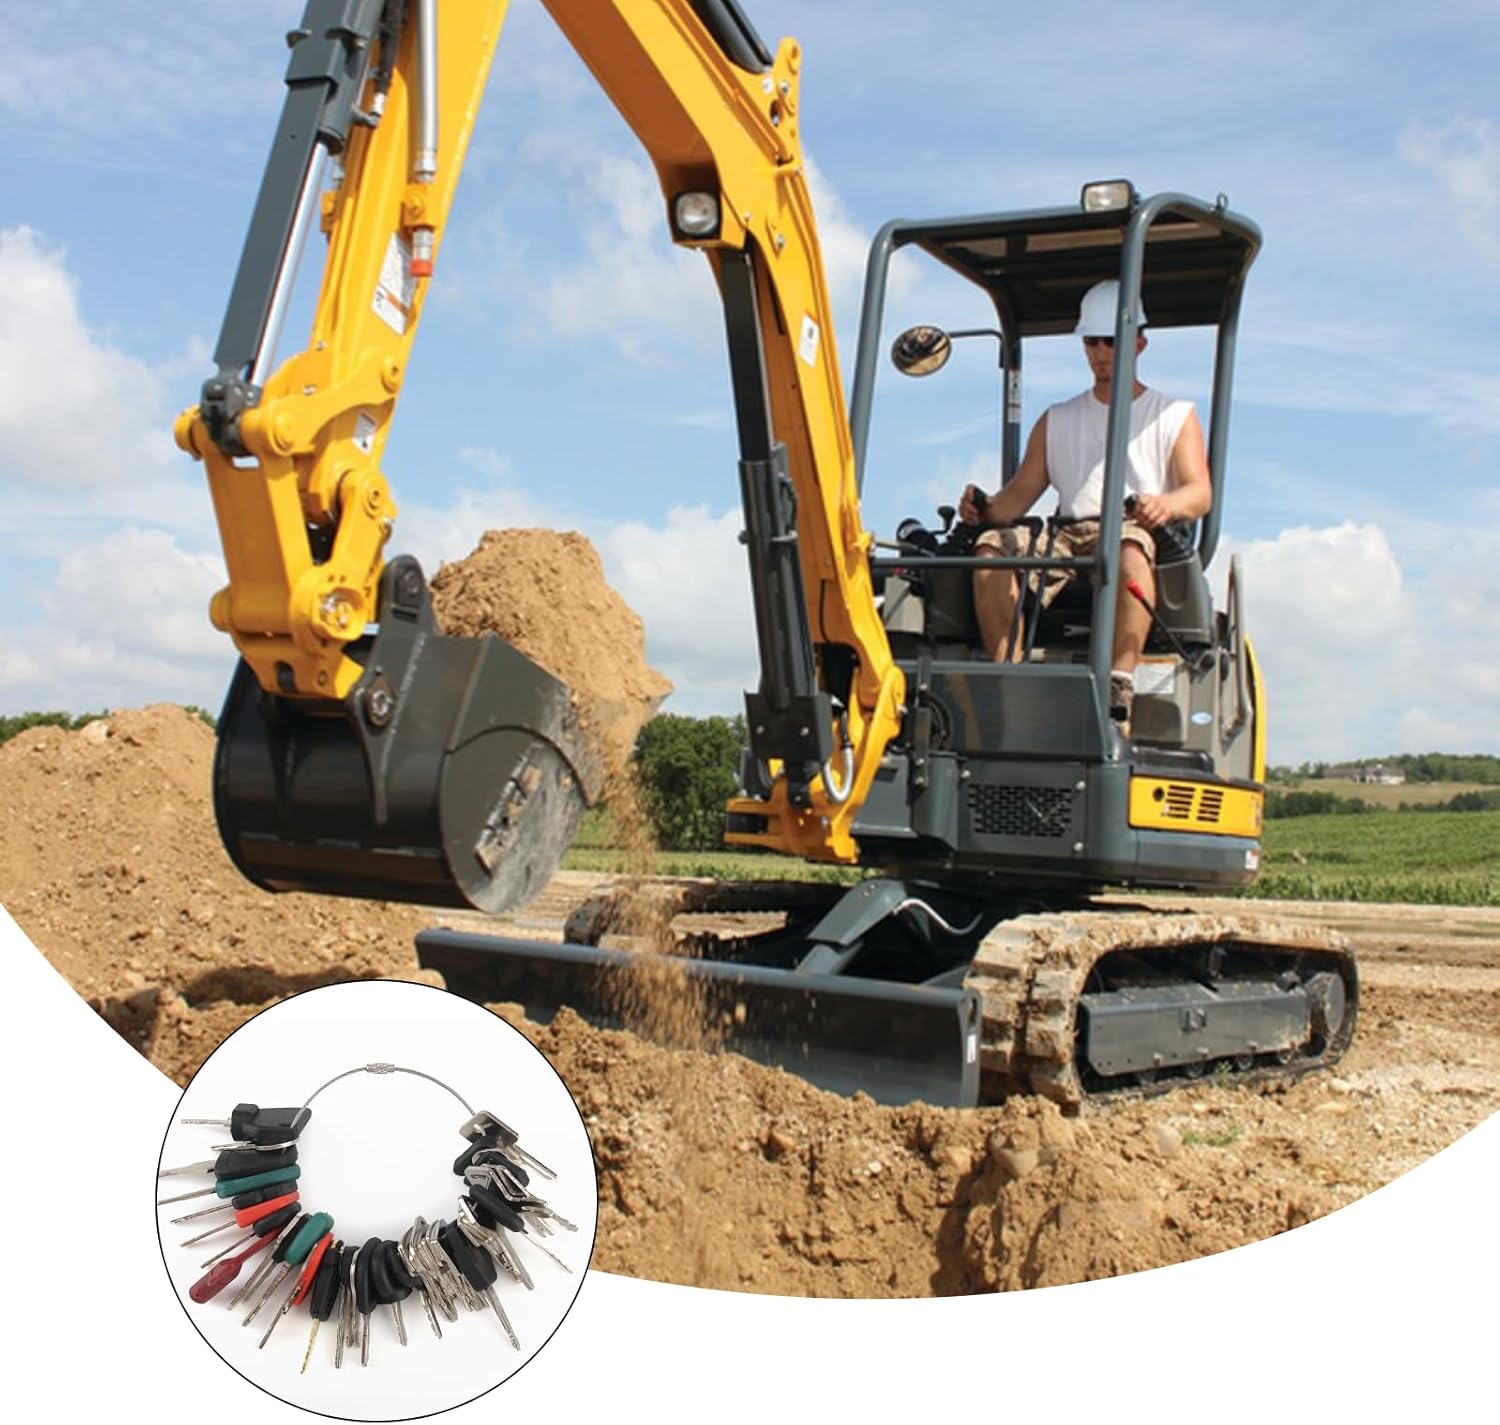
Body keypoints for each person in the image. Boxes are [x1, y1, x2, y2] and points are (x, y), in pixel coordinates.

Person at [958, 278, 1212, 729]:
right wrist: (982, 509)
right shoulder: (1057, 420)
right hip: (1065, 535)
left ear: (1139, 343)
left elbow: (1199, 493)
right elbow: (1015, 499)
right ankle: (1007, 681)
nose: (1100, 351)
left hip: (1132, 527)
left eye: (1111, 341)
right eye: (1092, 341)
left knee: (1128, 549)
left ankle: (1118, 683)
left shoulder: (1173, 416)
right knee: (991, 548)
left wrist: (1164, 505)